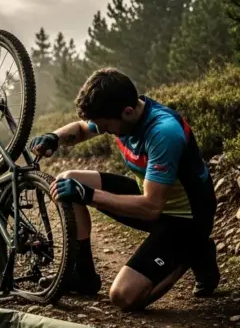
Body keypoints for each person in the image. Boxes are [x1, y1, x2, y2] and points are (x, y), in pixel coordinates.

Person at [28, 67, 220, 311]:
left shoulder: (163, 133)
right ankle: (84, 275)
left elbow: (151, 208)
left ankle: (195, 251)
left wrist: (89, 195)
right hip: (153, 198)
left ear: (127, 112)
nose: (103, 131)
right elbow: (83, 128)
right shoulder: (119, 111)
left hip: (186, 220)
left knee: (124, 296)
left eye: (106, 127)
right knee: (67, 180)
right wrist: (54, 137)